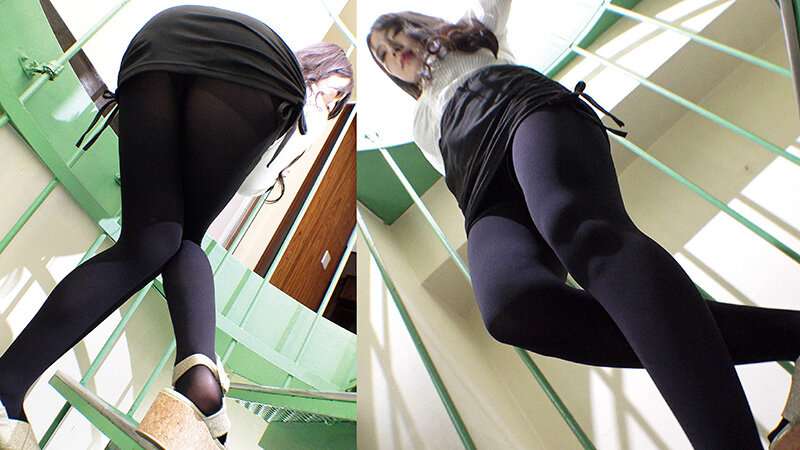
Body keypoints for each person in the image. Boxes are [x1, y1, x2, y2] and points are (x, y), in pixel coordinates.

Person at [367, 1, 800, 448]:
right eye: (382, 55)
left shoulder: (473, 36)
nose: (392, 51)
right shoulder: (420, 123)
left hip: (523, 111)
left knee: (579, 230)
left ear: (418, 26)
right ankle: (792, 334)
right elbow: (449, 168)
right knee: (510, 306)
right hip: (478, 184)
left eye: (395, 35)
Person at [0, 5, 352, 449]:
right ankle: (199, 373)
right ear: (322, 77)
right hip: (252, 76)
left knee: (153, 242)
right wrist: (305, 129)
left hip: (161, 40)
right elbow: (256, 181)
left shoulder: (265, 53)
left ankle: (7, 388)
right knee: (187, 239)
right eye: (334, 96)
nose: (328, 105)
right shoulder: (295, 88)